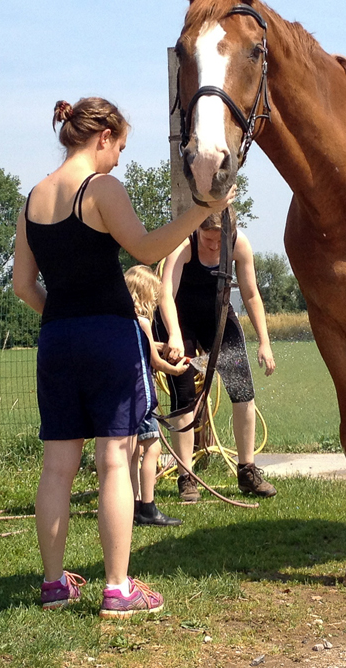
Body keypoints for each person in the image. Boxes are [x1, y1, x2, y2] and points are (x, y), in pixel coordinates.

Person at [12, 97, 232, 618]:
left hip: (57, 340)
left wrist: (64, 316)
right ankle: (116, 587)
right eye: (121, 148)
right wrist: (204, 209)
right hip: (109, 338)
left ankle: (53, 584)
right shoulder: (102, 188)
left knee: (57, 467)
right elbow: (146, 248)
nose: (119, 160)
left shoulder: (33, 198)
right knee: (115, 458)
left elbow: (24, 284)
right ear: (103, 136)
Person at [157, 206, 278, 502]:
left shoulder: (240, 244)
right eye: (207, 239)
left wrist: (264, 341)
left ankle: (247, 471)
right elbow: (165, 295)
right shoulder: (183, 244)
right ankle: (186, 477)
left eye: (217, 241)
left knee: (243, 390)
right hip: (179, 319)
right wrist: (173, 335)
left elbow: (250, 294)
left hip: (218, 316)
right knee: (183, 393)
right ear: (198, 230)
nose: (212, 246)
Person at [123, 265, 189, 528]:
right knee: (153, 446)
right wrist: (176, 369)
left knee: (130, 451)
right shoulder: (144, 321)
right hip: (142, 392)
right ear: (145, 293)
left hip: (124, 395)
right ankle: (149, 507)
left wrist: (161, 346)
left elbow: (147, 346)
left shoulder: (125, 319)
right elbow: (153, 361)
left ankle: (133, 504)